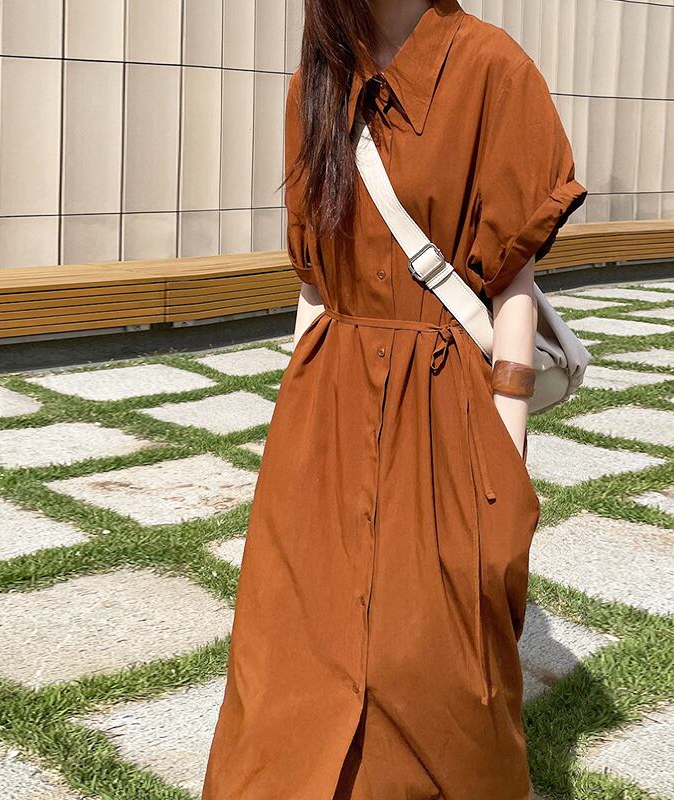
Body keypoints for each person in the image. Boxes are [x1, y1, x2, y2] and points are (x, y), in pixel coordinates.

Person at [201, 1, 587, 798]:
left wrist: (506, 454)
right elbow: (315, 283)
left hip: (449, 404)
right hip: (328, 403)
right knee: (291, 653)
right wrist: (294, 432)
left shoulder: (494, 69)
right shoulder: (319, 79)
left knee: (438, 662)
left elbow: (512, 280)